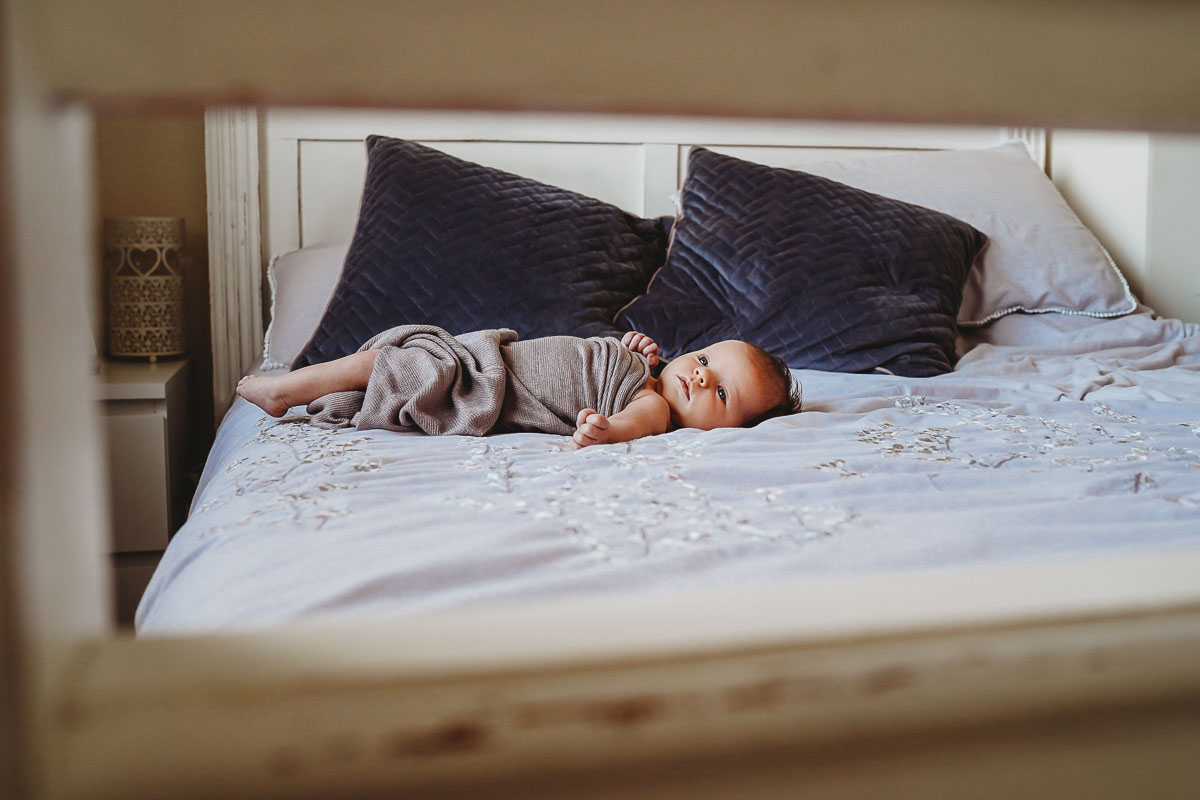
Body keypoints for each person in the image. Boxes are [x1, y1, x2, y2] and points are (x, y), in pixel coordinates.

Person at [237, 330, 801, 448]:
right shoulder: (645, 373)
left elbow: (635, 423)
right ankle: (304, 390)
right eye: (705, 360)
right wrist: (632, 347)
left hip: (486, 387)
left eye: (721, 395)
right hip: (484, 357)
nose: (701, 376)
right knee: (387, 366)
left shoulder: (652, 405)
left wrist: (606, 431)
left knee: (395, 365)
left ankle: (285, 390)